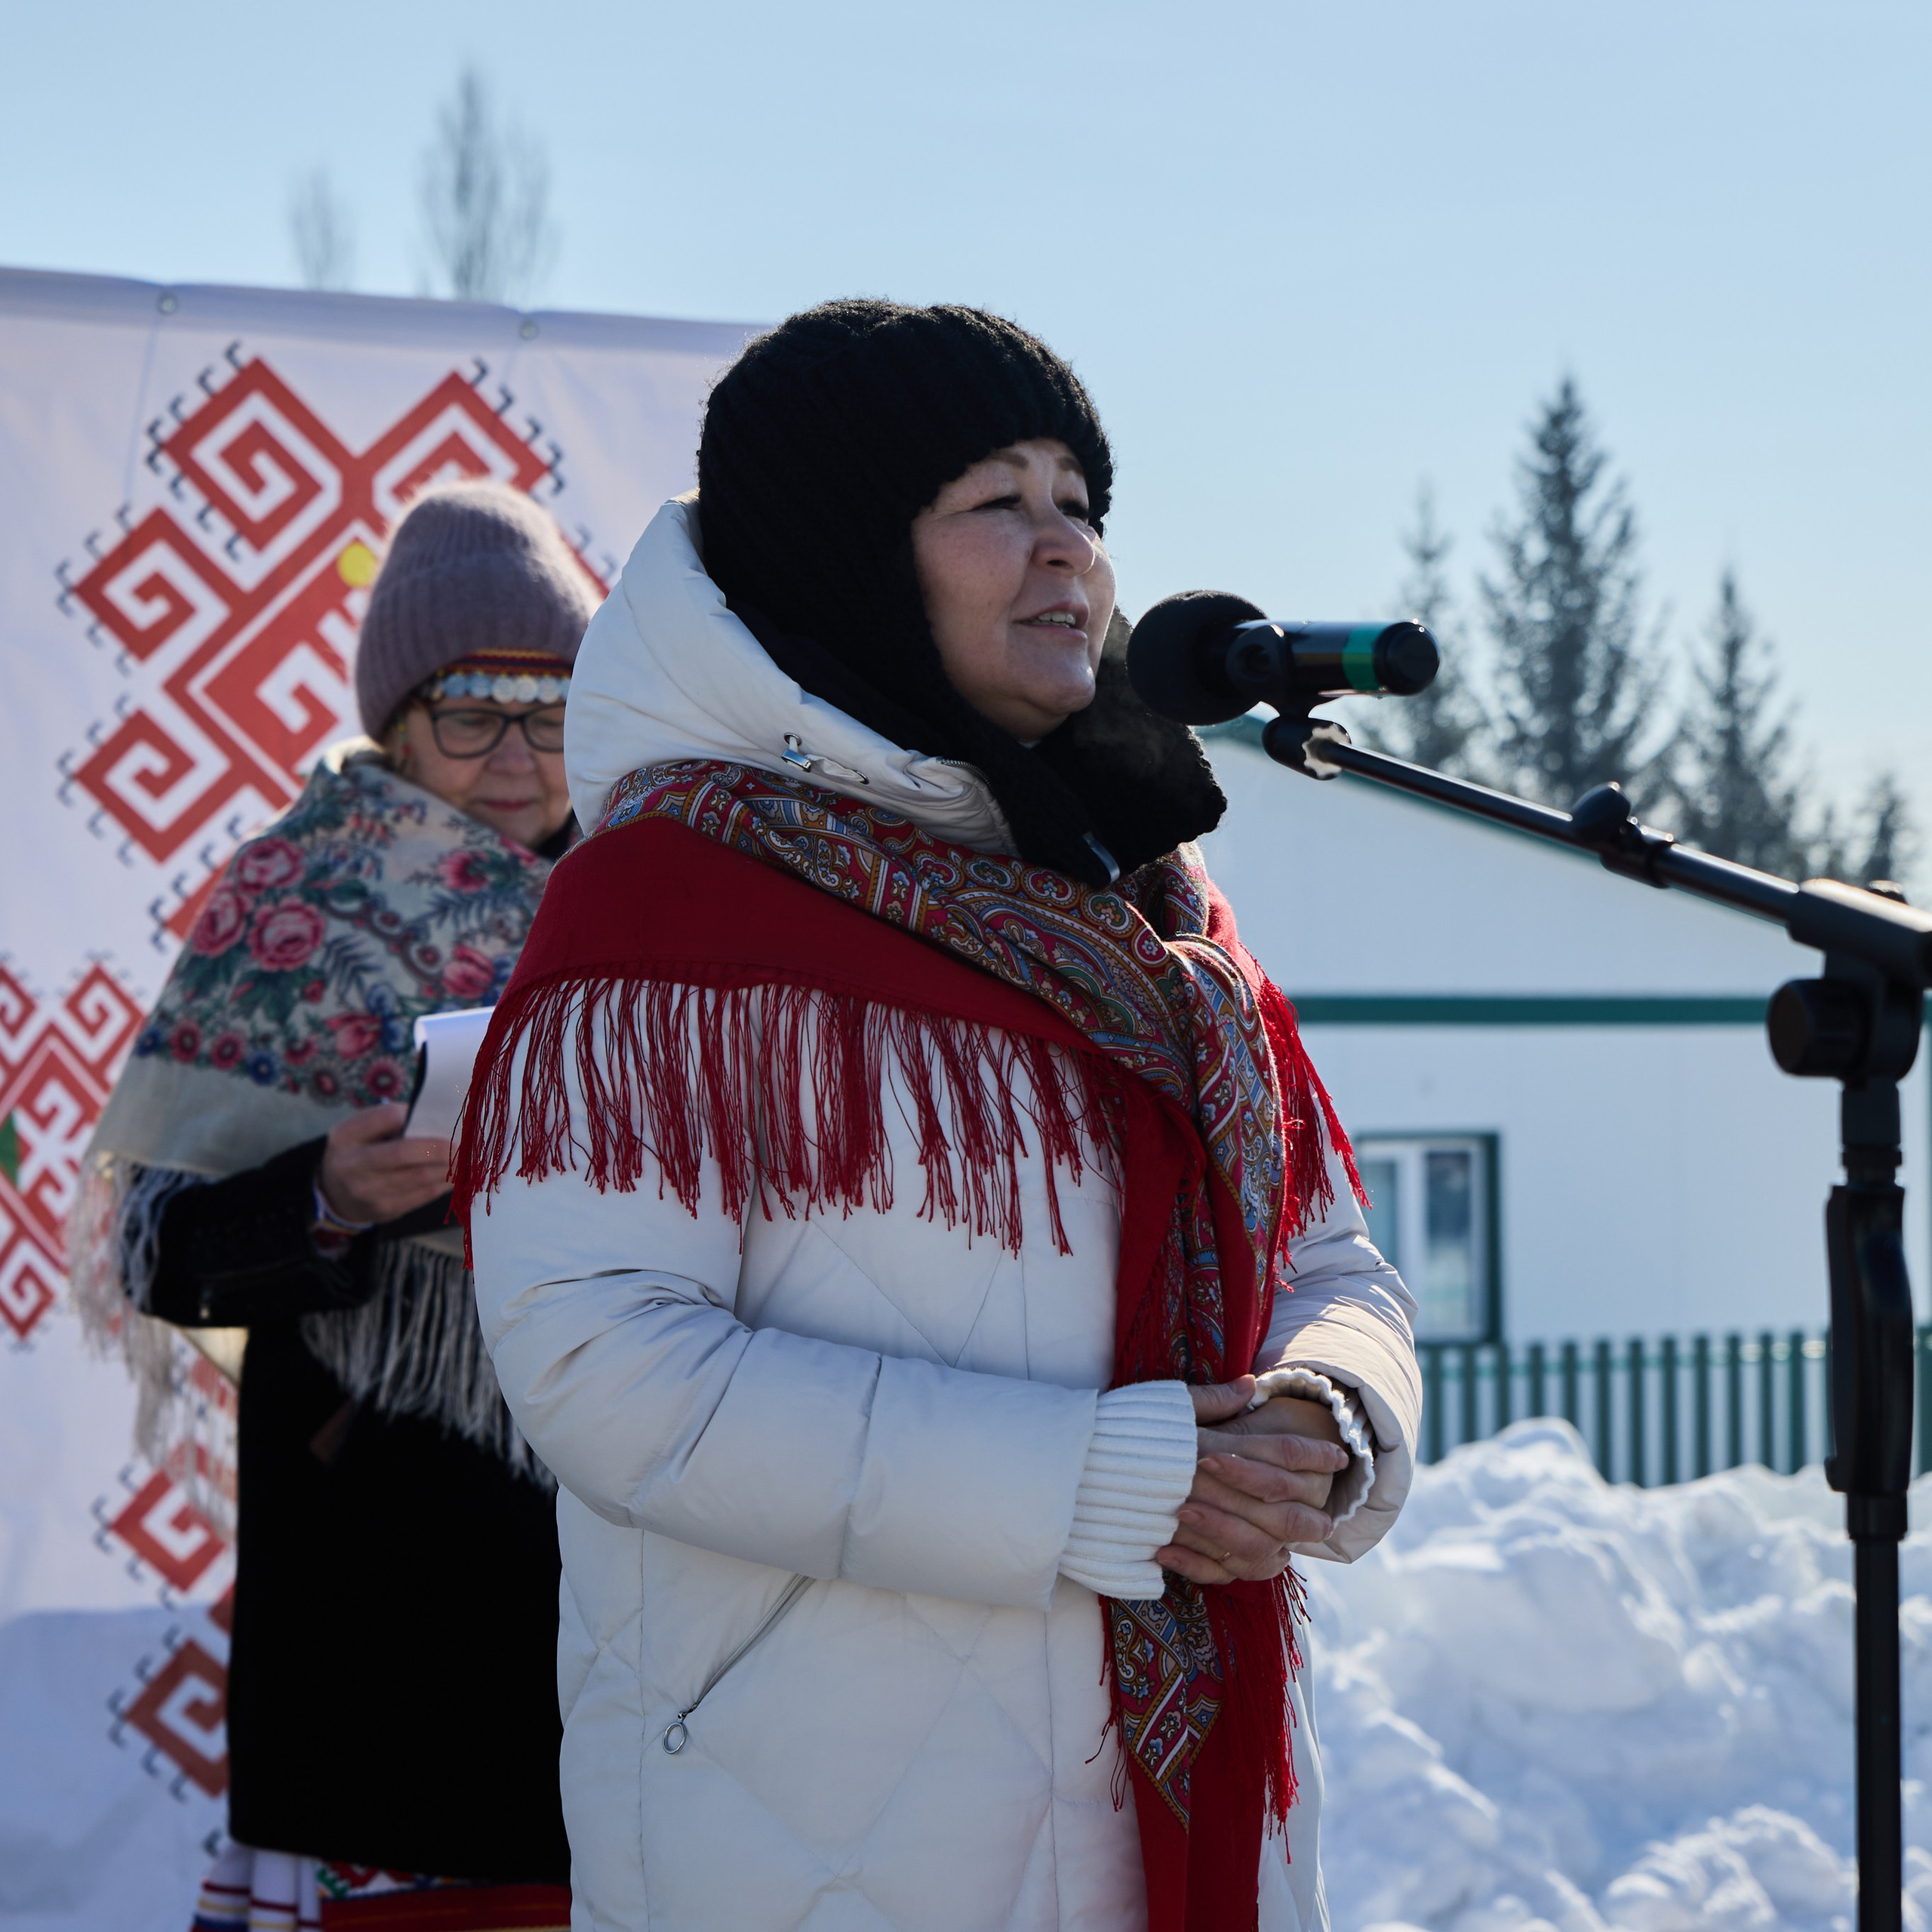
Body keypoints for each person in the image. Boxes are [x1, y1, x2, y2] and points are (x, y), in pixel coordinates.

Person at [457, 302, 1423, 1932]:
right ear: (845, 551)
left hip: (1183, 1814)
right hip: (809, 1827)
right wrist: (1113, 1484)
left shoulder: (1164, 916)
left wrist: (1329, 1415)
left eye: (1083, 502)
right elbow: (606, 1367)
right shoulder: (667, 909)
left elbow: (1326, 1253)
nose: (1070, 552)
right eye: (998, 501)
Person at [72, 479, 594, 1932]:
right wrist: (324, 1197)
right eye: (470, 711)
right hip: (381, 1560)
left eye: (550, 709)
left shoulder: (641, 910)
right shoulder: (288, 903)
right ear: (397, 717)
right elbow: (154, 1248)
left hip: (620, 1533)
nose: (515, 754)